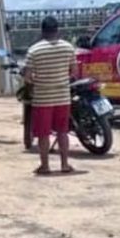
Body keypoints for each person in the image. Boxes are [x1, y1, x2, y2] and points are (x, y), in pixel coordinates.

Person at [24, 16, 77, 176]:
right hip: (62, 96)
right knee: (62, 131)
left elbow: (27, 77)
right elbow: (73, 72)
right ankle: (65, 164)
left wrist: (36, 79)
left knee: (43, 133)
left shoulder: (34, 50)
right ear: (57, 30)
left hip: (42, 98)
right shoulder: (68, 48)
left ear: (42, 31)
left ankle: (45, 166)